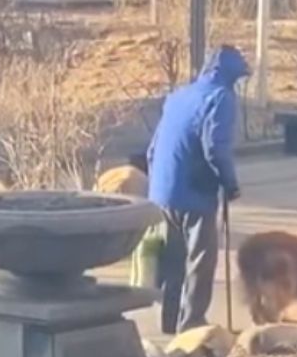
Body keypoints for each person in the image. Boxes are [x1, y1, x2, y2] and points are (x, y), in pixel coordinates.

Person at [147, 45, 248, 335]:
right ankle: (192, 325)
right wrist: (230, 184)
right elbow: (215, 147)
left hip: (163, 191)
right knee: (200, 262)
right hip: (195, 192)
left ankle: (169, 322)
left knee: (173, 259)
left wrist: (157, 186)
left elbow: (153, 149)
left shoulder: (178, 96)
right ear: (231, 76)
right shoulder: (221, 98)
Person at [93, 153, 164, 289]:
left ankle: (137, 276)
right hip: (126, 191)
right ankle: (141, 280)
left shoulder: (126, 176)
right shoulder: (140, 181)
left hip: (109, 191)